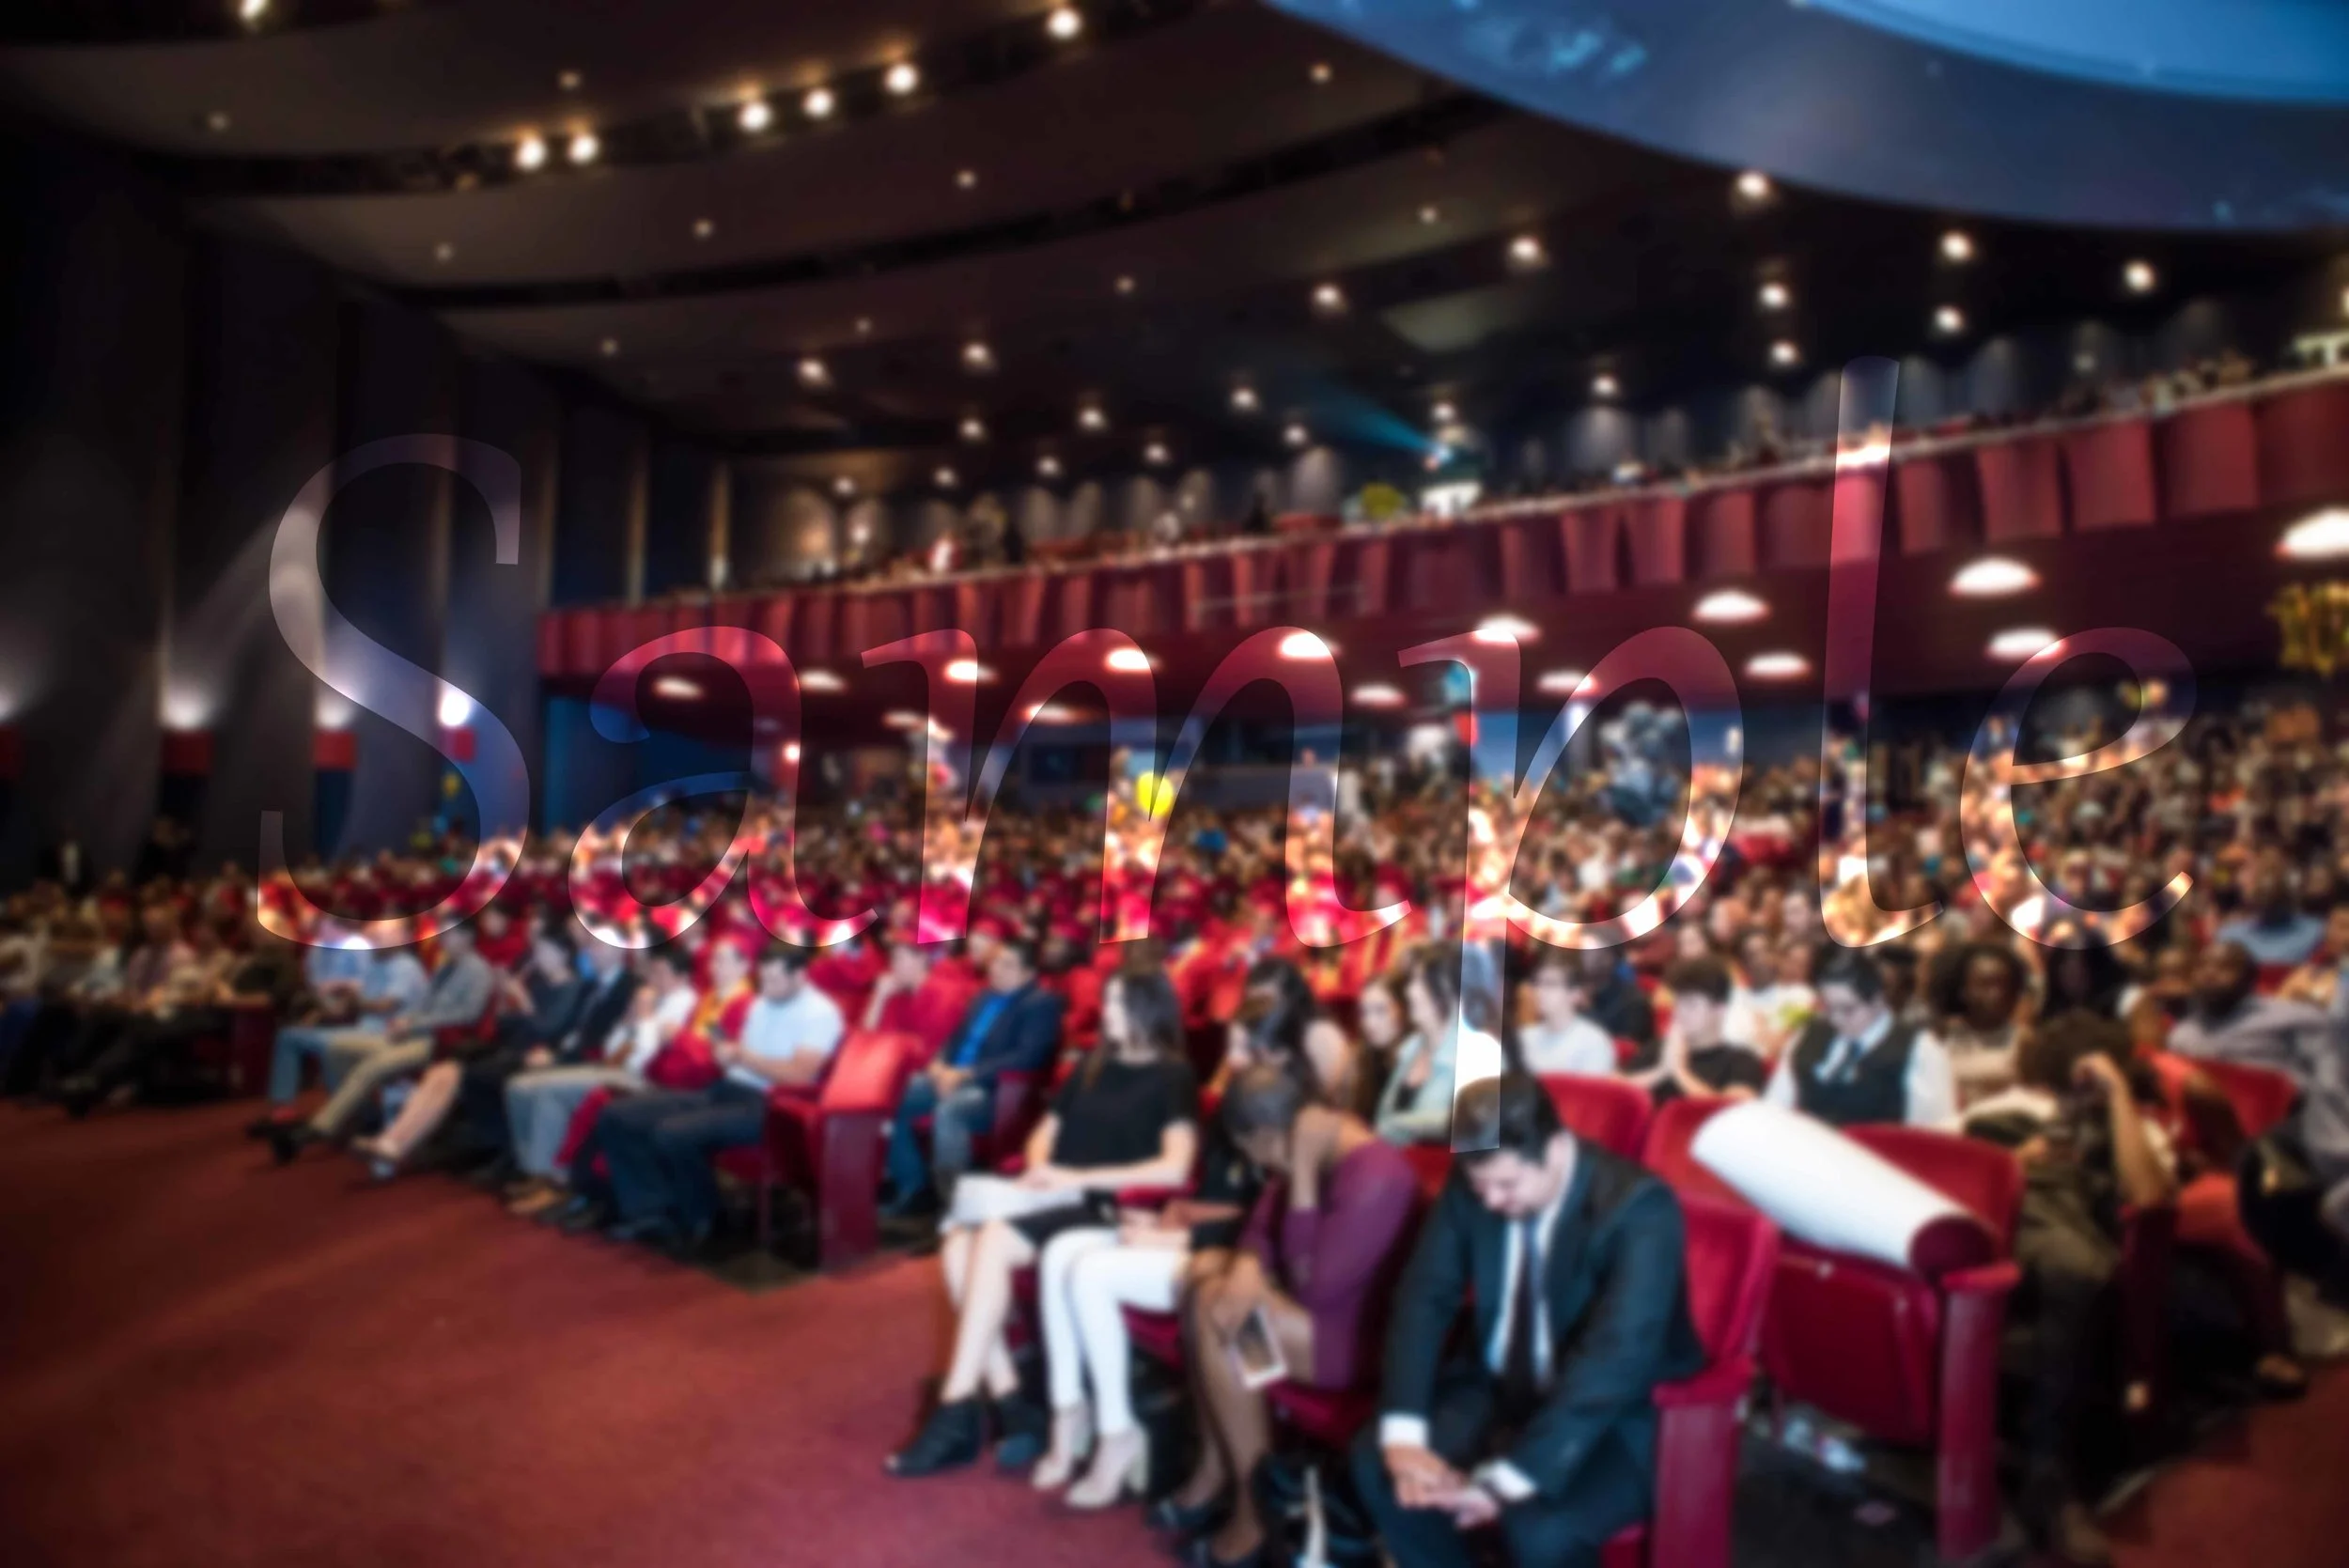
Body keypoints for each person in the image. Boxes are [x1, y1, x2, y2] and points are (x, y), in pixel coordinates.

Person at [1353, 1072, 1703, 1568]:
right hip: (1500, 1386)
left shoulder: (1640, 1209)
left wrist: (1509, 1480)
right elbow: (1424, 1296)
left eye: (1507, 1184)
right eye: (1482, 1187)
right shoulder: (1476, 1179)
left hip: (1616, 1414)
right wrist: (1404, 1438)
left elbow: (1615, 1359)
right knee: (1378, 1465)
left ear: (1557, 1150)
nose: (1491, 1201)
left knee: (1539, 1528)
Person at [886, 969, 1198, 1478]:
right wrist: (1038, 1170)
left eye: (1117, 1003)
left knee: (987, 1239)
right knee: (959, 1247)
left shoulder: (1172, 1075)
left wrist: (1074, 1176)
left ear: (1147, 1010)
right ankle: (1011, 1403)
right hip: (1053, 1194)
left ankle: (957, 1407)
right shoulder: (1092, 1064)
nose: (1106, 1012)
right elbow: (1043, 1133)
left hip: (1100, 1204)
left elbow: (1174, 1166)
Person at [1143, 1063, 1418, 1561]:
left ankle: (1255, 1507)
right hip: (1311, 1318)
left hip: (1352, 1341)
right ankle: (1215, 1468)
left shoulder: (1376, 1172)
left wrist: (1306, 1182)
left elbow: (1316, 1290)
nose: (1262, 1168)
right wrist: (1247, 1265)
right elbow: (1261, 1226)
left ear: (1267, 1135)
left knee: (1216, 1306)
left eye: (1254, 1153)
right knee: (1205, 1271)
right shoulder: (1302, 1143)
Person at [1956, 1011, 2195, 1565]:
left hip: (2070, 1232)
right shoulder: (1997, 1112)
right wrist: (2015, 1164)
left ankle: (2049, 1478)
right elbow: (1948, 1171)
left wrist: (2116, 1097)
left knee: (2077, 1268)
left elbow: (2153, 1199)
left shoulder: (2132, 1123)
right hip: (1997, 1221)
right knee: (2075, 1266)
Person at [596, 947, 845, 1251]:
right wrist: (726, 1056)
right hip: (728, 1089)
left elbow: (800, 1075)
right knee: (617, 1115)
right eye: (763, 979)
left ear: (800, 976)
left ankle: (706, 1219)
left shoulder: (820, 1012)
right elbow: (742, 1059)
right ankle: (650, 1210)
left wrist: (743, 1056)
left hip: (771, 1106)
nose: (765, 988)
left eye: (775, 981)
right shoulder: (763, 1003)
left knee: (672, 1133)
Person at [2168, 940, 2349, 1263]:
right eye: (2203, 966)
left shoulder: (2294, 1018)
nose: (2210, 974)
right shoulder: (2182, 1034)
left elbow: (2329, 1079)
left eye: (2224, 967)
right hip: (2219, 1137)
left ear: (2249, 978)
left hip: (2291, 1130)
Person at [267, 924, 495, 1162]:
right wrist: (407, 1021)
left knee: (374, 1065)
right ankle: (357, 1116)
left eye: (449, 934)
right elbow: (425, 1008)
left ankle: (315, 1131)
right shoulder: (446, 968)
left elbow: (469, 1014)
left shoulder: (477, 970)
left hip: (439, 1042)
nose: (443, 939)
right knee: (336, 1050)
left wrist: (412, 1024)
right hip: (412, 1035)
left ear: (467, 937)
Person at [883, 939, 1064, 1216]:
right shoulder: (982, 998)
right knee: (896, 1094)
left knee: (950, 1110)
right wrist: (939, 1067)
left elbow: (1027, 1056)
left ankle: (955, 1201)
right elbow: (955, 1041)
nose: (998, 970)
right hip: (952, 1076)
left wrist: (965, 1074)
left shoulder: (1040, 1003)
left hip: (994, 1089)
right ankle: (913, 1187)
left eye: (1008, 965)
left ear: (1028, 973)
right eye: (996, 962)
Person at [506, 945, 696, 1189]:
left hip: (643, 1078)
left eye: (661, 973)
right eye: (652, 972)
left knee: (549, 1092)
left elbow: (645, 1059)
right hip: (616, 1068)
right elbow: (611, 1048)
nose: (654, 979)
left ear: (682, 977)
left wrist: (645, 1018)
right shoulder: (650, 998)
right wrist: (629, 1020)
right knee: (520, 1086)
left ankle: (550, 1176)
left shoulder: (683, 1003)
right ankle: (534, 1169)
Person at [248, 927, 428, 1131]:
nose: (373, 943)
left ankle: (356, 1114)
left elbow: (388, 1005)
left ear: (400, 939)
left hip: (387, 1033)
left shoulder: (406, 966)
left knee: (331, 1047)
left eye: (379, 938)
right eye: (374, 938)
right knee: (290, 1036)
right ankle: (284, 1109)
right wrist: (318, 1014)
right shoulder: (375, 965)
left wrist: (351, 999)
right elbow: (345, 1008)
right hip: (362, 1030)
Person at [1763, 950, 1956, 1128]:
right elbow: (1774, 1110)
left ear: (1878, 1000)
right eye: (1829, 1009)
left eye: (1847, 1009)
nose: (1836, 1020)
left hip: (1879, 1158)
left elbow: (1933, 1135)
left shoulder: (1919, 1049)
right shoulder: (1808, 1036)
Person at [1375, 949, 1505, 1145]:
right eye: (1412, 982)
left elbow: (1477, 1125)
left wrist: (1399, 1125)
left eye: (1421, 982)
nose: (1410, 992)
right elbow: (1382, 1120)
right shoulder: (1409, 1049)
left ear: (1450, 992)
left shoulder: (1479, 1052)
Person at [1629, 955, 1766, 1103]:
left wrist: (1680, 1072)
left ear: (1719, 1009)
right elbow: (1614, 1090)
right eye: (1678, 1002)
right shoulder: (1659, 1047)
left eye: (1690, 1004)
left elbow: (1732, 1111)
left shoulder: (1741, 1060)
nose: (1679, 1012)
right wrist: (1661, 1071)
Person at [1934, 940, 2032, 1112]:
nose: (1996, 994)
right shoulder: (1941, 1036)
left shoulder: (2026, 1042)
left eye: (2003, 985)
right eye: (1985, 984)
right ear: (1963, 990)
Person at [1514, 955, 1617, 1078]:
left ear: (1575, 994)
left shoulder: (1593, 1043)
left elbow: (1592, 1095)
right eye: (1537, 984)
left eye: (1550, 984)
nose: (1539, 992)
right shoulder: (1523, 1038)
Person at [2215, 861, 2326, 970]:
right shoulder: (2231, 936)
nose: (2268, 886)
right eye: (2260, 880)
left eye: (2274, 878)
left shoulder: (2317, 932)